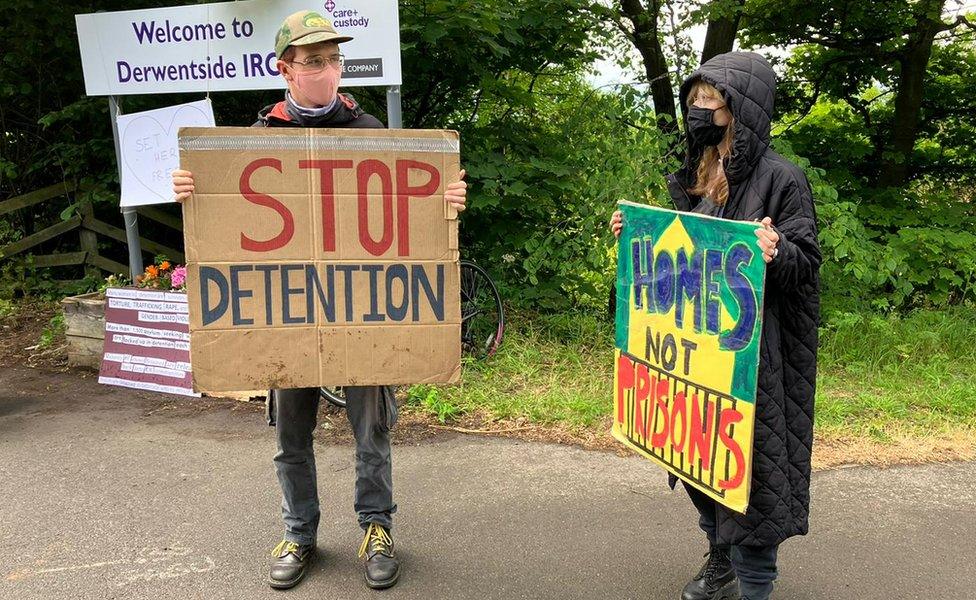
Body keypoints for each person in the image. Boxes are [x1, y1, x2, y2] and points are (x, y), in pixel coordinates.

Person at [172, 10, 468, 591]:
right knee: (289, 437)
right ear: (285, 70)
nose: (327, 73)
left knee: (372, 428)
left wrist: (445, 197)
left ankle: (376, 527)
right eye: (313, 63)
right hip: (285, 313)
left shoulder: (371, 133)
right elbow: (224, 223)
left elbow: (409, 219)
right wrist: (191, 190)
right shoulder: (255, 141)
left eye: (333, 61)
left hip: (361, 310)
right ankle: (300, 531)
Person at [610, 51, 821, 600]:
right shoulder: (704, 166)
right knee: (700, 459)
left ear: (740, 108)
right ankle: (719, 560)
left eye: (710, 99)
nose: (697, 109)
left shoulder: (783, 178)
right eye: (694, 99)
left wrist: (777, 251)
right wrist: (637, 235)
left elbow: (806, 264)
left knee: (754, 481)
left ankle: (753, 584)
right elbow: (688, 254)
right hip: (702, 352)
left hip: (756, 357)